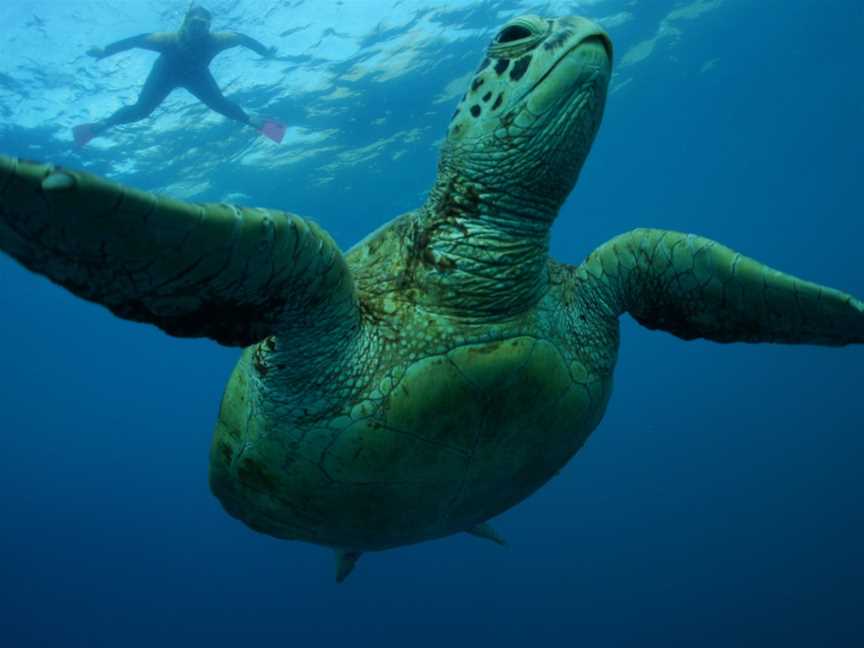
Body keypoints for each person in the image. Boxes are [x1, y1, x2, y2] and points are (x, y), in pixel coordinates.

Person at [73, 5, 285, 146]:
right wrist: (104, 51)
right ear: (185, 23)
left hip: (197, 76)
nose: (197, 28)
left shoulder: (218, 39)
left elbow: (243, 38)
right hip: (164, 74)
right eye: (193, 23)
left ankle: (255, 122)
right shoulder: (166, 39)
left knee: (220, 104)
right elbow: (136, 40)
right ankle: (102, 125)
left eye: (202, 25)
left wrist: (265, 52)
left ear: (209, 26)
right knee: (142, 110)